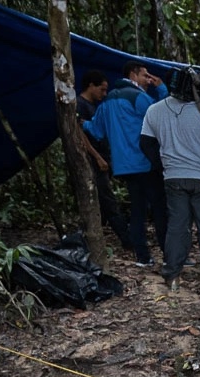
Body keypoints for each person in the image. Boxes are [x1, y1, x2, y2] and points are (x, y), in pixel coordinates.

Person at [140, 67, 200, 291]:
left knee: (177, 225)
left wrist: (162, 164)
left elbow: (146, 143)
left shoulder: (154, 110)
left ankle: (172, 274)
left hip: (173, 177)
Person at [83, 60, 168, 267]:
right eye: (145, 75)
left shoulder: (107, 102)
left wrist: (79, 122)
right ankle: (170, 255)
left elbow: (95, 130)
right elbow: (164, 117)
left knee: (138, 210)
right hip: (145, 162)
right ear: (133, 75)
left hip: (124, 166)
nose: (148, 80)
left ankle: (143, 256)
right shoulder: (139, 97)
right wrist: (162, 89)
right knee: (160, 209)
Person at [76, 70, 131, 247]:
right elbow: (79, 135)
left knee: (104, 201)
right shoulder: (79, 105)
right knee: (107, 200)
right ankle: (126, 239)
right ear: (91, 86)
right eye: (102, 89)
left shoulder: (97, 106)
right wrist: (97, 157)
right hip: (92, 161)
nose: (104, 94)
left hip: (105, 158)